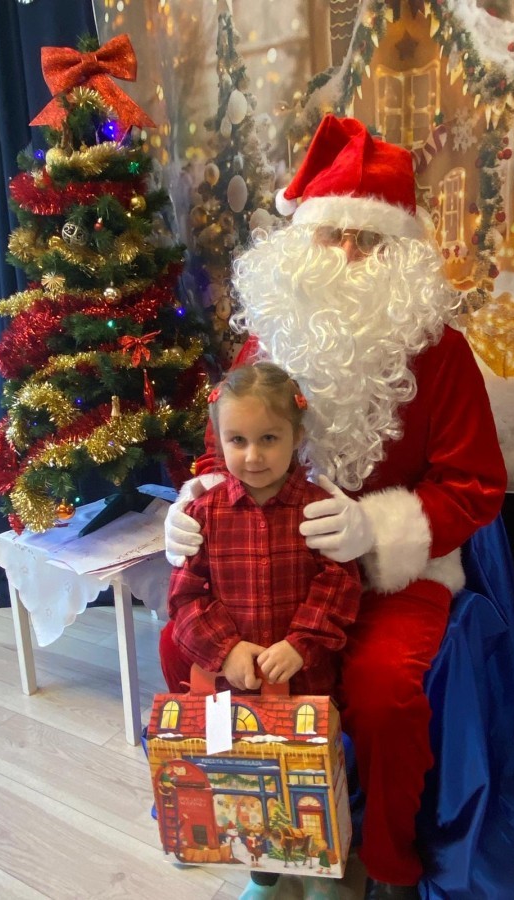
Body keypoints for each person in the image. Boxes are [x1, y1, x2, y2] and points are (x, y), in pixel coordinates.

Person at [162, 115, 508, 899]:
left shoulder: (442, 353)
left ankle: (385, 862)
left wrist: (372, 528)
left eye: (369, 239)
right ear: (301, 242)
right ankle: (260, 838)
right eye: (333, 235)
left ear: (401, 254)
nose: (349, 253)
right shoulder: (264, 345)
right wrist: (193, 500)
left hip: (391, 579)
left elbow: (473, 484)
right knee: (191, 656)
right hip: (268, 569)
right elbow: (222, 454)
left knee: (384, 691)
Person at [163, 361, 363, 900]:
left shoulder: (318, 509)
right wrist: (225, 650)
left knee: (310, 778)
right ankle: (264, 872)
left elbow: (340, 583)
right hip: (232, 690)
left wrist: (301, 644)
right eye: (238, 440)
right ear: (220, 440)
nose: (252, 456)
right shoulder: (204, 513)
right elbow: (184, 596)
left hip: (305, 681)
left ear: (296, 436)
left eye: (268, 438)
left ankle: (322, 869)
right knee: (246, 783)